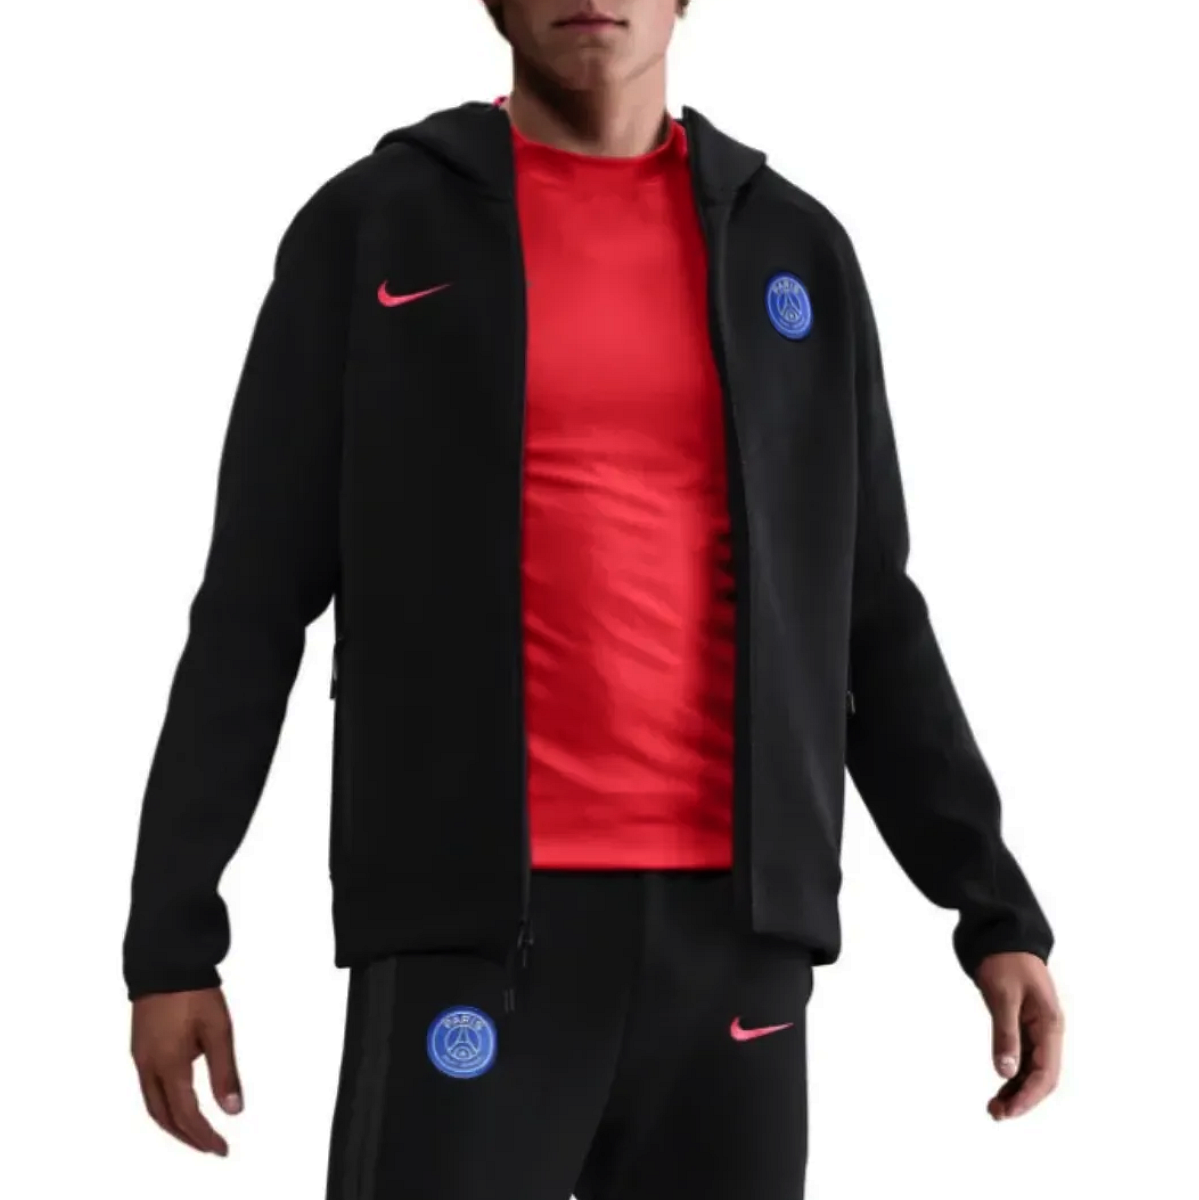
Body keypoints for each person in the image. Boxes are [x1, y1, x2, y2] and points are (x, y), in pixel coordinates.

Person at [124, 2, 1064, 1196]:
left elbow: (869, 614)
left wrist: (994, 910)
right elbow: (253, 602)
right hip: (468, 927)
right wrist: (172, 937)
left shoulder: (793, 250)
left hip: (739, 938)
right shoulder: (376, 227)